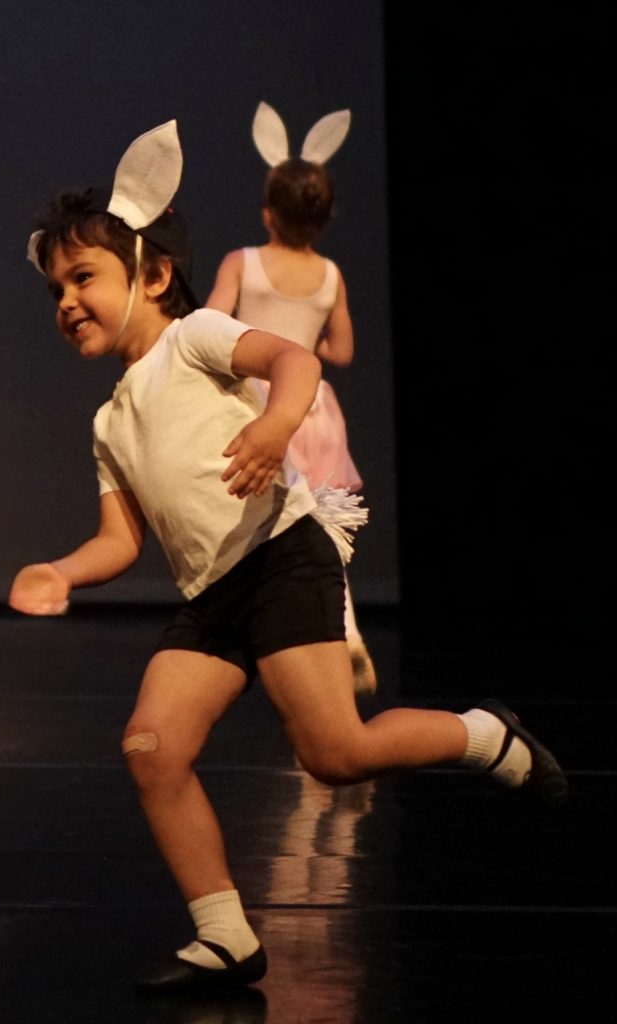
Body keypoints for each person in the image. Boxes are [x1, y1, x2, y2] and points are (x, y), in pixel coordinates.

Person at [8, 120, 567, 993]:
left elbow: (294, 359)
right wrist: (60, 572)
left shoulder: (193, 337)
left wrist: (273, 424)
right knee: (153, 750)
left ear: (152, 275)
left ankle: (485, 735)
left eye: (83, 278)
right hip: (212, 594)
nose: (65, 301)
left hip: (279, 557)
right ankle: (226, 934)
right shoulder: (108, 421)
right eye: (55, 290)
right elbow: (122, 539)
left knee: (334, 755)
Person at [206, 102, 375, 694]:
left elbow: (210, 326)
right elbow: (344, 350)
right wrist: (307, 334)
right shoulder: (330, 274)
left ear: (268, 214)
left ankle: (255, 637)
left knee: (262, 524)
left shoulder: (243, 261)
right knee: (321, 528)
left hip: (260, 406)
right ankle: (345, 629)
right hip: (316, 410)